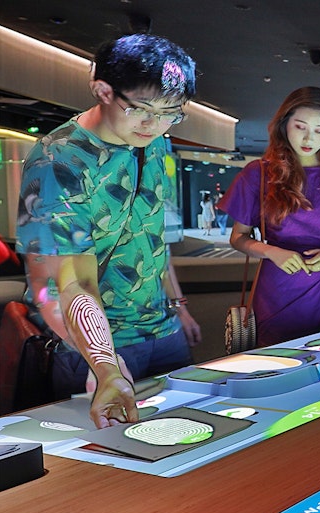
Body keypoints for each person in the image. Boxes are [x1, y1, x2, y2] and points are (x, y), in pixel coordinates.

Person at [16, 33, 201, 429]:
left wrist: (177, 305)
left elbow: (152, 237)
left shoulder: (154, 144)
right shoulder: (59, 161)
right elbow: (71, 283)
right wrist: (104, 365)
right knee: (110, 460)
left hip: (162, 329)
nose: (156, 124)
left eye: (172, 112)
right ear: (102, 89)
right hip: (97, 344)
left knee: (187, 437)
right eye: (141, 109)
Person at [220, 86, 320, 347]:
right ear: (284, 125)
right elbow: (238, 237)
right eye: (300, 127)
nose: (309, 138)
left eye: (319, 130)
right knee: (276, 366)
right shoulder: (258, 175)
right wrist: (272, 251)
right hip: (277, 290)